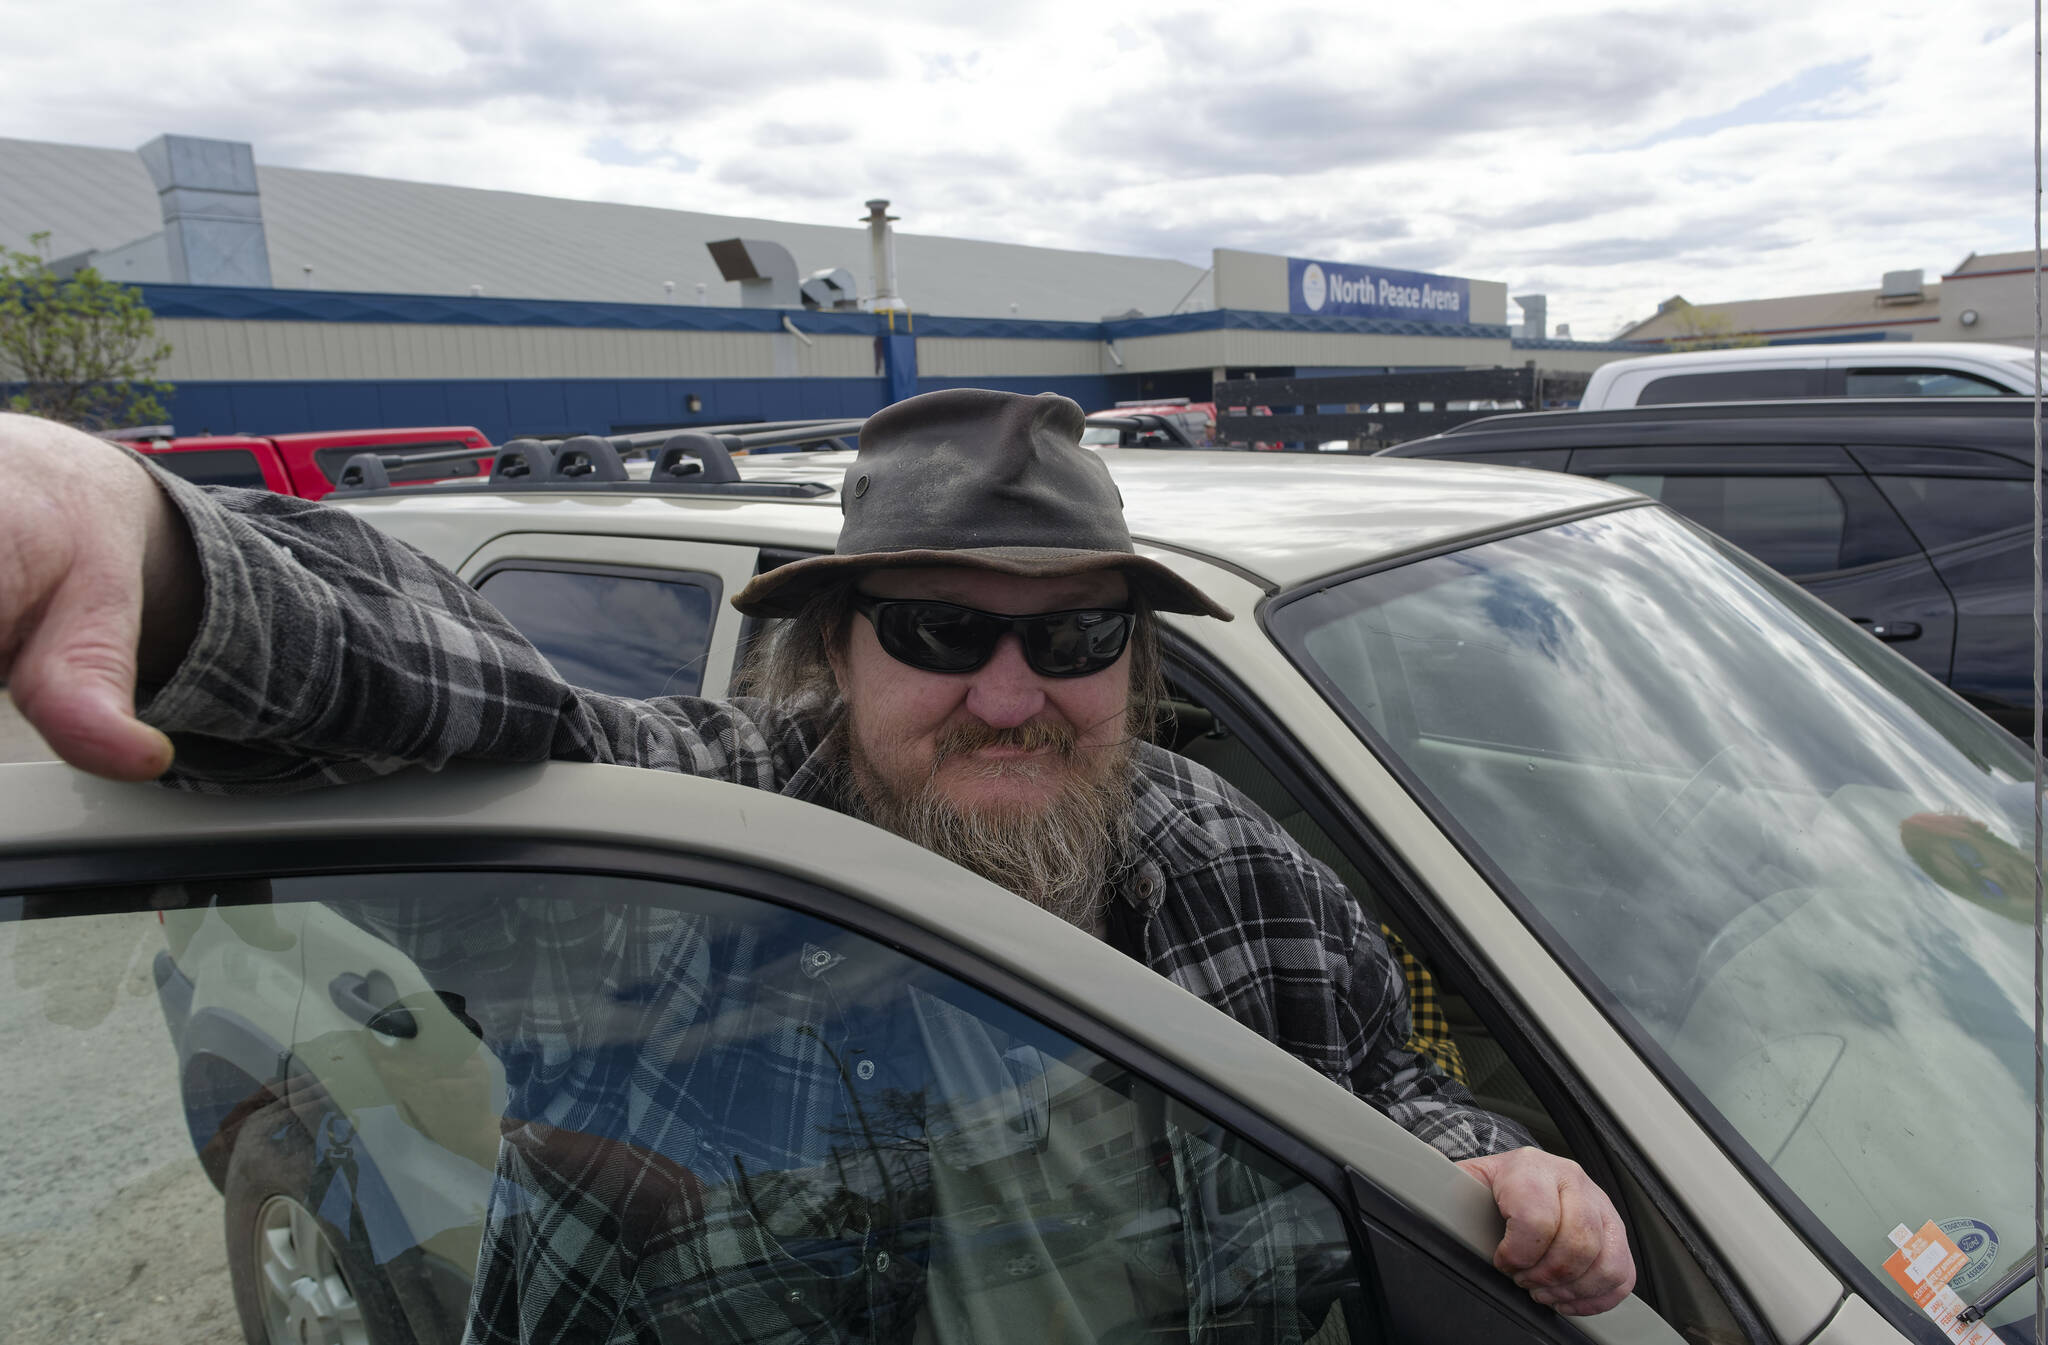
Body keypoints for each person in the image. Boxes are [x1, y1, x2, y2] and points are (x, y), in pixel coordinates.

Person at [0, 389, 1635, 1326]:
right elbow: (451, 695)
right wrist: (143, 539)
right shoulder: (703, 857)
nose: (1014, 695)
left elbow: (1389, 1089)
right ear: (835, 650)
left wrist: (1502, 1166)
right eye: (939, 629)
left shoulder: (1230, 871)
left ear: (1134, 662)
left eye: (1073, 631)